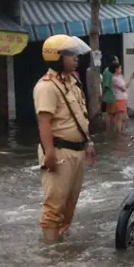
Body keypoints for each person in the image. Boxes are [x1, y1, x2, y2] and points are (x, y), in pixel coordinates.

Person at [32, 35, 96, 242]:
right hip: (59, 151)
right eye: (70, 54)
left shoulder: (73, 81)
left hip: (77, 150)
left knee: (69, 206)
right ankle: (52, 256)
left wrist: (89, 142)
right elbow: (44, 123)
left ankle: (62, 249)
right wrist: (49, 153)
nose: (75, 58)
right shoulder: (46, 86)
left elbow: (80, 116)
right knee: (54, 206)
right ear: (57, 57)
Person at [111, 61, 134, 133]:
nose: (121, 69)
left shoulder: (120, 77)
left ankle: (121, 132)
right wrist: (124, 86)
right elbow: (124, 89)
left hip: (123, 99)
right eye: (120, 68)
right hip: (119, 99)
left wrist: (130, 79)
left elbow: (126, 86)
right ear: (116, 69)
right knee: (121, 118)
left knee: (124, 118)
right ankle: (119, 134)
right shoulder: (115, 79)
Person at [102, 58, 118, 131]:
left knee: (113, 115)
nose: (118, 62)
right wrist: (102, 95)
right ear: (113, 61)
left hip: (113, 96)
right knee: (109, 115)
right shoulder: (108, 71)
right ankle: (109, 131)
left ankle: (112, 131)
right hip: (110, 96)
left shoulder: (111, 71)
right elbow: (106, 85)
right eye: (116, 60)